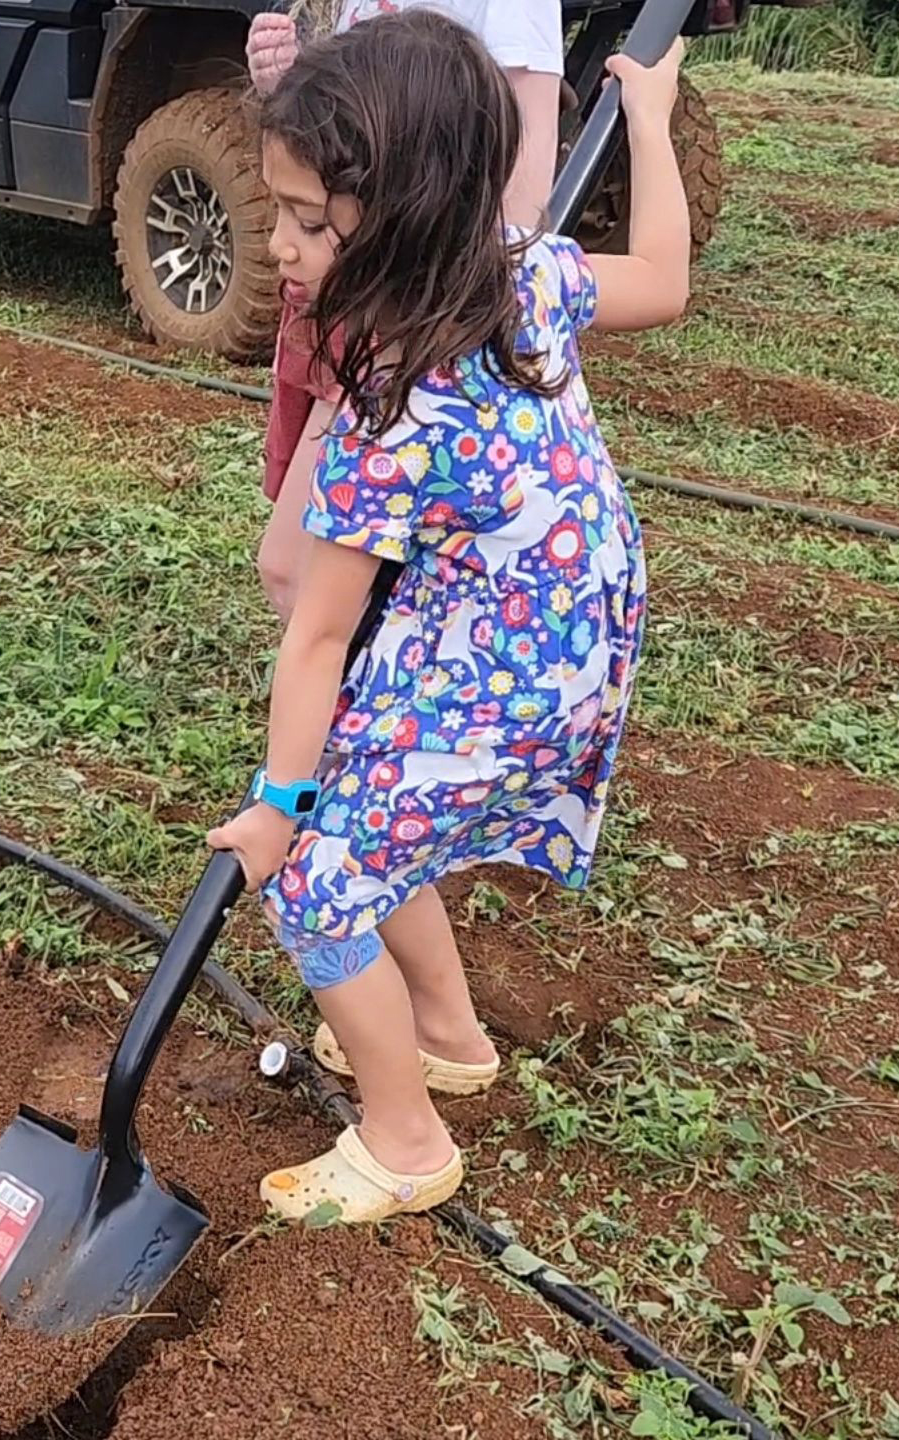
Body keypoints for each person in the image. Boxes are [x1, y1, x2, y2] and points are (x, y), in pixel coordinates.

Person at [209, 11, 689, 1222]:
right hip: (561, 631)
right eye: (280, 208)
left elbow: (317, 634)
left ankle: (405, 1139)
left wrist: (276, 808)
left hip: (505, 666)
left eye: (313, 222)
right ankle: (449, 1038)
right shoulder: (523, 271)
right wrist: (650, 123)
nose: (284, 243)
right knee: (360, 792)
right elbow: (667, 283)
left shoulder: (388, 414)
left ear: (411, 208)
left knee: (317, 883)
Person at [248, 0, 565, 624]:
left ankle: (350, 703)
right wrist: (289, 88)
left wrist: (443, 321)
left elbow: (522, 186)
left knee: (306, 572)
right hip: (354, 293)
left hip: (411, 318)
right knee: (298, 568)